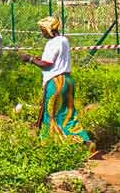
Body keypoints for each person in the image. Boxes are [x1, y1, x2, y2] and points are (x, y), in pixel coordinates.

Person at [19, 16, 90, 144]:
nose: (42, 33)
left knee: (50, 114)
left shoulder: (52, 43)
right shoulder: (64, 40)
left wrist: (29, 59)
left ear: (48, 29)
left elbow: (47, 64)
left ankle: (47, 143)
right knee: (68, 113)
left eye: (43, 30)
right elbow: (56, 60)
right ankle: (84, 141)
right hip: (67, 81)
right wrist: (39, 59)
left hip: (56, 83)